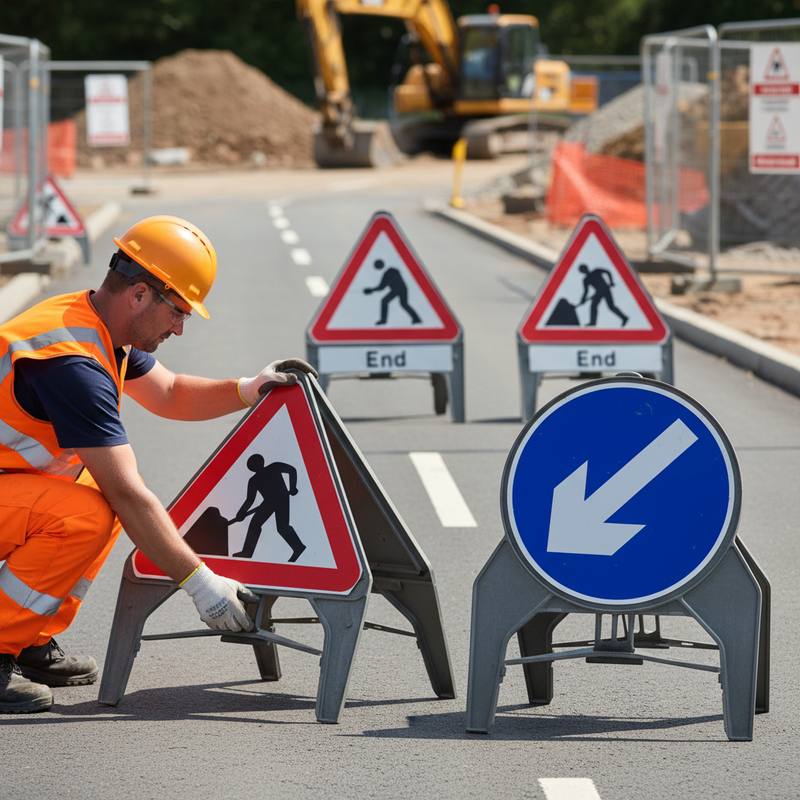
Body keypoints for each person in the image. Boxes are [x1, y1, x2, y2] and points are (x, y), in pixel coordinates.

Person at [0, 215, 317, 714]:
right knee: (90, 511)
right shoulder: (70, 363)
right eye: (178, 312)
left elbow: (169, 393)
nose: (179, 327)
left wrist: (248, 389)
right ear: (140, 294)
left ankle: (28, 639)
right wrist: (200, 583)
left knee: (96, 496)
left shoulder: (96, 327)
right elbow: (129, 494)